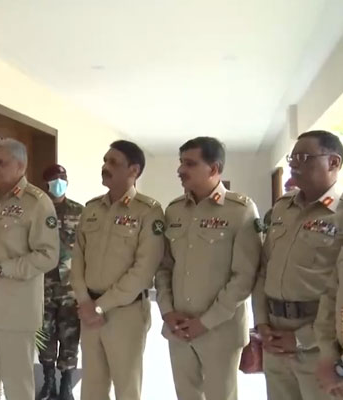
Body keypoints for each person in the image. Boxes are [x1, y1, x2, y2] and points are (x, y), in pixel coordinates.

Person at [155, 136, 261, 400]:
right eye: (181, 163)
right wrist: (167, 311)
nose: (180, 170)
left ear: (213, 169)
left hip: (220, 330)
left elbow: (244, 277)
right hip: (178, 327)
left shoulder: (241, 210)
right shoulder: (175, 210)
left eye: (189, 164)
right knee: (186, 395)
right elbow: (164, 267)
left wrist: (205, 322)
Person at [0, 138, 60, 400]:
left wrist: (1, 269)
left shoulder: (37, 203)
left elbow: (48, 255)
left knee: (17, 386)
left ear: (20, 166)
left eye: (1, 163)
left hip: (14, 311)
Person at [252, 130, 343, 400]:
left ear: (334, 163)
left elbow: (338, 292)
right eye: (293, 157)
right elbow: (264, 268)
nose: (293, 164)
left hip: (319, 348)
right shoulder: (281, 209)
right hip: (274, 340)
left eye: (304, 157)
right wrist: (262, 324)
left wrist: (304, 338)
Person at [70, 140, 164, 400]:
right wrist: (85, 301)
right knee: (92, 388)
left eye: (113, 162)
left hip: (126, 313)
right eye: (105, 160)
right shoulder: (91, 209)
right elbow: (77, 258)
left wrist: (100, 306)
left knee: (126, 388)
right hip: (89, 310)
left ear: (133, 170)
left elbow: (143, 270)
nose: (105, 166)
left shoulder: (148, 211)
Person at [36, 164, 83, 400]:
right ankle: (48, 382)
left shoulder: (80, 211)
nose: (58, 183)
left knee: (70, 336)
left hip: (70, 287)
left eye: (62, 178)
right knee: (44, 336)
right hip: (41, 286)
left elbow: (88, 250)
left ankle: (66, 385)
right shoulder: (37, 211)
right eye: (54, 179)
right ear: (47, 183)